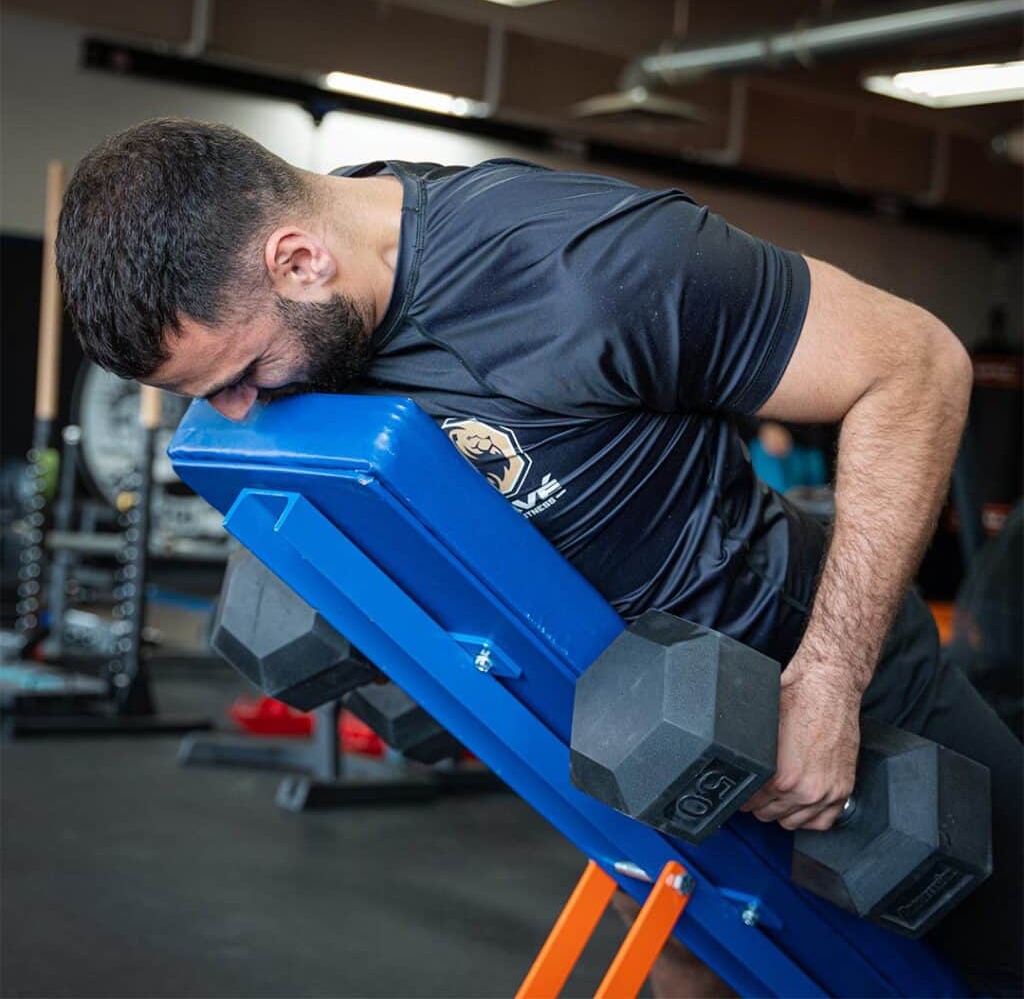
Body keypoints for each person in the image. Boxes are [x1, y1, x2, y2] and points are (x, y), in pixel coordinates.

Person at [56, 119, 1022, 996]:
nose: (240, 414)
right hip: (646, 738)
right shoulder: (299, 296)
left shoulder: (583, 265)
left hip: (824, 686)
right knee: (702, 960)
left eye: (244, 377)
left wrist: (829, 684)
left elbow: (914, 361)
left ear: (301, 260)